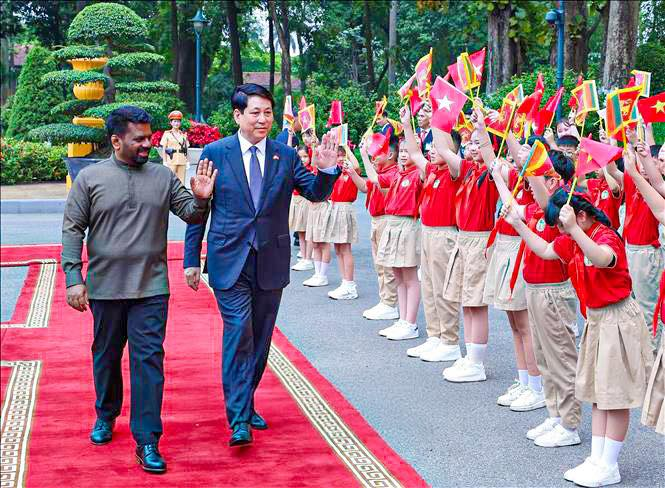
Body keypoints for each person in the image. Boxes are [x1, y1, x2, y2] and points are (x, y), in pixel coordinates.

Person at [183, 84, 339, 447]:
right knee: (239, 332)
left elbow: (314, 193)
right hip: (229, 259)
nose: (263, 119)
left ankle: (245, 399)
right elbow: (200, 207)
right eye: (255, 112)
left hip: (270, 259)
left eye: (268, 112)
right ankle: (239, 419)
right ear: (238, 115)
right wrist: (191, 259)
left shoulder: (285, 156)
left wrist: (327, 171)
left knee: (260, 338)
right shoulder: (216, 153)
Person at [62, 106, 216, 473]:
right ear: (116, 141)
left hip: (151, 288)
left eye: (150, 137)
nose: (148, 144)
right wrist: (73, 277)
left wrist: (202, 198)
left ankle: (147, 439)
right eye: (140, 139)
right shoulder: (90, 178)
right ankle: (106, 413)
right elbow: (72, 228)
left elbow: (191, 213)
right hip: (105, 288)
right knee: (106, 355)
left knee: (148, 361)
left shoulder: (162, 176)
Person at [504, 189, 653, 488]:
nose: (560, 232)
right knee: (598, 394)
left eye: (562, 225)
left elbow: (602, 258)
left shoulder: (604, 236)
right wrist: (518, 225)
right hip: (597, 320)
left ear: (580, 216)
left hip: (616, 318)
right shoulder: (573, 237)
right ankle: (597, 458)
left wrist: (573, 230)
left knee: (615, 397)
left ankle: (609, 464)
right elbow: (546, 250)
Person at [494, 151, 583, 448]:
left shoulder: (562, 207)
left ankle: (569, 424)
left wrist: (530, 159)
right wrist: (498, 175)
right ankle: (555, 415)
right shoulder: (534, 207)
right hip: (535, 288)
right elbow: (513, 207)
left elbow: (545, 202)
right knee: (545, 359)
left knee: (561, 360)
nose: (529, 184)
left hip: (554, 292)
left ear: (553, 181)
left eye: (536, 176)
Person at [438, 108, 499, 383]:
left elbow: (491, 158)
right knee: (466, 300)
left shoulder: (492, 173)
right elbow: (443, 148)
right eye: (470, 142)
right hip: (463, 239)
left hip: (479, 240)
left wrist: (484, 129)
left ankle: (477, 362)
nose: (473, 147)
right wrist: (440, 111)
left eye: (478, 143)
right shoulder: (469, 170)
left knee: (477, 303)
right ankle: (469, 355)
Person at [399, 105, 462, 362]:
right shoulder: (433, 170)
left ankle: (450, 341)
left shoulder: (455, 171)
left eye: (439, 146)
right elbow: (415, 152)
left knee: (444, 289)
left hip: (444, 236)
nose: (433, 150)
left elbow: (445, 152)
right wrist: (407, 124)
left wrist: (438, 119)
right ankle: (435, 336)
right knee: (430, 287)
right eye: (432, 146)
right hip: (427, 232)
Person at [486, 135, 544, 411]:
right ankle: (523, 381)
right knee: (514, 322)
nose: (518, 155)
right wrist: (483, 131)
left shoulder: (537, 184)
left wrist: (500, 177)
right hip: (506, 248)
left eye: (526, 151)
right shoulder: (518, 180)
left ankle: (536, 386)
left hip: (522, 251)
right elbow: (491, 158)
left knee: (525, 323)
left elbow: (513, 208)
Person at [622, 147, 665, 437]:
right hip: (636, 251)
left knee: (648, 316)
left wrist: (637, 172)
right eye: (659, 158)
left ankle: (649, 375)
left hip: (648, 255)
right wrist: (637, 165)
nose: (660, 163)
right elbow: (660, 201)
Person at [369, 136, 424, 341]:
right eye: (401, 151)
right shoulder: (398, 174)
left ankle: (410, 323)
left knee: (410, 277)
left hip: (407, 225)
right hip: (392, 224)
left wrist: (409, 131)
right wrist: (365, 154)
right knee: (398, 276)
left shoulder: (419, 173)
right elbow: (375, 179)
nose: (403, 155)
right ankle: (402, 319)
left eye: (408, 151)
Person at [346, 136, 400, 320]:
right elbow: (364, 187)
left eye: (377, 152)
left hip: (386, 219)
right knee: (379, 263)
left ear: (390, 154)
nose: (373, 156)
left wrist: (363, 155)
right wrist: (351, 172)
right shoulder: (379, 172)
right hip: (376, 220)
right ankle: (385, 300)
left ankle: (390, 303)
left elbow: (375, 181)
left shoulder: (393, 172)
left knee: (387, 265)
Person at [325, 145, 361, 300]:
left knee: (345, 248)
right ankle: (345, 282)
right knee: (338, 249)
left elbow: (357, 166)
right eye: (338, 155)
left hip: (345, 209)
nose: (340, 158)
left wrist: (348, 148)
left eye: (342, 155)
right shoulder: (336, 172)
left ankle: (350, 285)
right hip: (334, 208)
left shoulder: (351, 172)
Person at [290, 146, 315, 271]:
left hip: (305, 201)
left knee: (307, 231)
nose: (303, 159)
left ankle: (308, 258)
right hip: (296, 200)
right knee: (300, 231)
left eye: (305, 156)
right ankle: (304, 257)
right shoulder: (295, 169)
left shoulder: (311, 170)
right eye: (300, 157)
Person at [160, 110, 190, 184]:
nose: (176, 123)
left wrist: (188, 161)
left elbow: (186, 149)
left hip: (182, 160)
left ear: (180, 123)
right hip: (171, 160)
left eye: (178, 121)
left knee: (181, 182)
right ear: (171, 123)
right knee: (170, 181)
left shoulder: (183, 135)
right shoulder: (167, 134)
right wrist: (164, 161)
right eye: (174, 121)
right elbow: (164, 149)